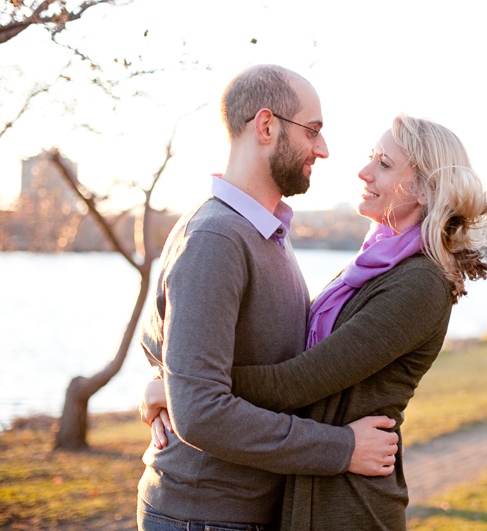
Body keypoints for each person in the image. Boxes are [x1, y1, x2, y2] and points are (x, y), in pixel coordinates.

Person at [143, 113, 487, 530]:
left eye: (384, 164)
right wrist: (182, 383)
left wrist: (182, 390)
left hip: (350, 505)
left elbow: (295, 384)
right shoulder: (376, 264)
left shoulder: (419, 283)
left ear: (425, 190)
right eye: (372, 157)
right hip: (316, 491)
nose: (363, 171)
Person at [135, 64, 400, 531]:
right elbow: (200, 412)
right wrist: (341, 448)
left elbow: (170, 347)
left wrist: (166, 386)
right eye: (313, 130)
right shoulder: (215, 237)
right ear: (266, 125)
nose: (323, 148)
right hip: (204, 516)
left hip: (241, 512)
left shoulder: (264, 230)